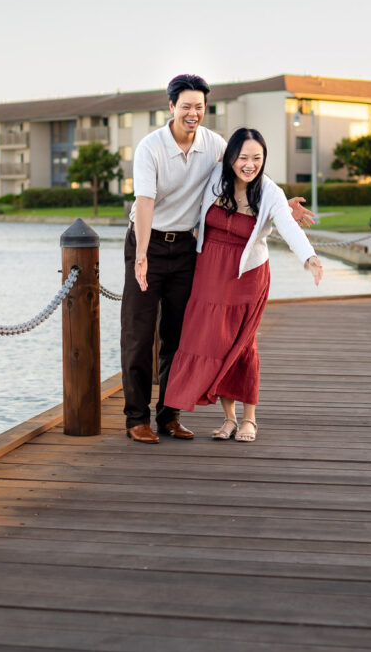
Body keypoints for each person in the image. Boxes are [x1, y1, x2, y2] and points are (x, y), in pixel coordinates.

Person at [122, 74, 312, 444]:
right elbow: (144, 202)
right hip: (148, 242)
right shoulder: (151, 147)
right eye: (186, 106)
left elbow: (248, 170)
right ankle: (136, 418)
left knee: (179, 334)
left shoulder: (214, 145)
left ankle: (169, 416)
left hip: (187, 247)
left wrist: (279, 205)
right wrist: (141, 255)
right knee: (138, 333)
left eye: (199, 106)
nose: (193, 113)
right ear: (172, 107)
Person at [163, 128, 322, 443]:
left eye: (257, 158)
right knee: (216, 343)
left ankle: (249, 419)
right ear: (230, 158)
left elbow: (288, 226)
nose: (250, 165)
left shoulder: (269, 192)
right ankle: (229, 419)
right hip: (209, 273)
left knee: (243, 345)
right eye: (243, 158)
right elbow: (182, 195)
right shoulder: (213, 179)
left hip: (247, 275)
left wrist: (310, 257)